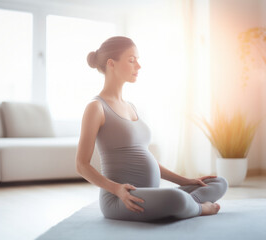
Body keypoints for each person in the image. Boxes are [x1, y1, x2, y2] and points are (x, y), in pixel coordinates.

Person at [75, 36, 228, 222]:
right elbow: (81, 165)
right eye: (132, 60)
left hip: (149, 194)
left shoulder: (131, 106)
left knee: (218, 183)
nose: (138, 66)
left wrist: (185, 181)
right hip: (121, 199)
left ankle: (181, 205)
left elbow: (145, 156)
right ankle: (196, 208)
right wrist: (117, 189)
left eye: (138, 60)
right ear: (111, 64)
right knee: (175, 198)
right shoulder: (96, 107)